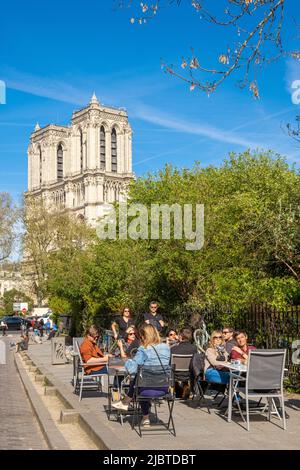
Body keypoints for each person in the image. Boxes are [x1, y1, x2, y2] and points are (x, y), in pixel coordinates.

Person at [112, 324, 170, 427]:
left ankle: (136, 409)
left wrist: (129, 361)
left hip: (146, 390)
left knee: (139, 380)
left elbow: (131, 369)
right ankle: (128, 403)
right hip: (164, 388)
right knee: (142, 378)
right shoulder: (166, 348)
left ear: (143, 336)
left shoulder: (143, 349)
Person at [170, 327, 198, 398]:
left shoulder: (173, 349)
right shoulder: (194, 348)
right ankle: (186, 386)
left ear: (180, 336)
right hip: (189, 374)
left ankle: (172, 390)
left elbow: (169, 363)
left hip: (175, 374)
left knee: (170, 367)